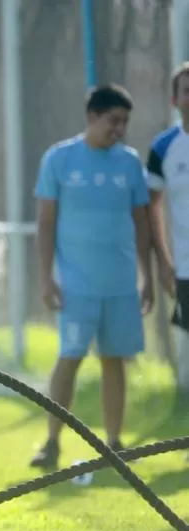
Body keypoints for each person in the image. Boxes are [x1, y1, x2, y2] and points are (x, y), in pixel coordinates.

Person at [29, 84, 154, 470]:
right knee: (70, 357)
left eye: (125, 122)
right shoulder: (60, 159)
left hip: (118, 283)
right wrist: (47, 279)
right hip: (76, 285)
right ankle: (51, 441)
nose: (119, 129)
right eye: (113, 120)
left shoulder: (130, 163)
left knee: (114, 360)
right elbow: (46, 223)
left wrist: (146, 275)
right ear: (91, 117)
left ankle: (113, 445)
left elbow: (142, 222)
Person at [144, 62, 189, 463]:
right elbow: (151, 207)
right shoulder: (163, 149)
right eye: (186, 90)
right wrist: (164, 260)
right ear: (175, 99)